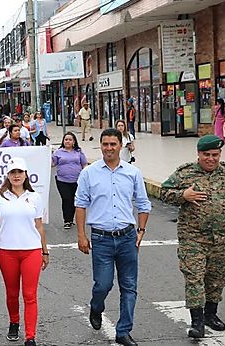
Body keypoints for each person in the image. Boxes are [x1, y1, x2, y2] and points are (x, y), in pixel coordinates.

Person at [160, 134, 225, 339]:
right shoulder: (185, 174)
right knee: (194, 277)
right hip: (192, 237)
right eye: (206, 155)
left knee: (215, 278)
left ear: (220, 154)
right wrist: (182, 196)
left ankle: (211, 314)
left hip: (220, 238)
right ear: (198, 154)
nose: (211, 159)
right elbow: (164, 192)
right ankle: (197, 322)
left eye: (215, 154)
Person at [75, 129, 151, 346]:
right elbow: (80, 205)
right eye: (105, 144)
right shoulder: (89, 173)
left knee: (129, 286)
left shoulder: (132, 172)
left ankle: (124, 330)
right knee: (103, 284)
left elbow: (143, 204)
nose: (109, 148)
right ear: (100, 146)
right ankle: (96, 306)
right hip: (101, 239)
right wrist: (81, 236)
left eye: (113, 144)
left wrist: (141, 231)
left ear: (120, 146)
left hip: (127, 237)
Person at [0, 157, 49, 346]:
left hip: (31, 252)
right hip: (8, 252)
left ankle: (30, 336)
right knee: (12, 294)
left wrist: (45, 251)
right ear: (8, 175)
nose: (16, 175)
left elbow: (39, 226)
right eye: (13, 172)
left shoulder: (34, 197)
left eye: (20, 172)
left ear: (26, 174)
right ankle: (14, 322)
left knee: (30, 295)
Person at [52, 132, 87, 229]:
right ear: (63, 141)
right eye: (66, 139)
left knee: (73, 200)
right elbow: (52, 164)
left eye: (70, 139)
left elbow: (84, 164)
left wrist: (86, 175)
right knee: (66, 198)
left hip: (77, 180)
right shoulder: (58, 152)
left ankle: (71, 219)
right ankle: (67, 220)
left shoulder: (78, 152)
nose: (67, 141)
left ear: (74, 142)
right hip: (62, 180)